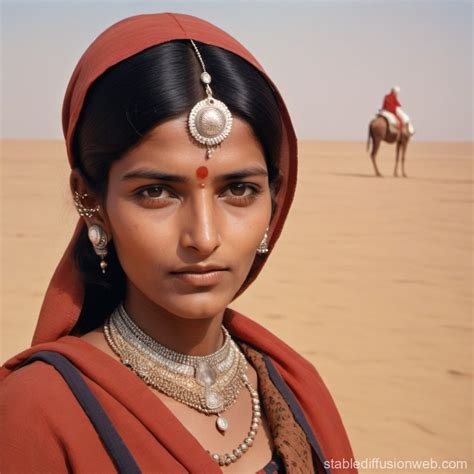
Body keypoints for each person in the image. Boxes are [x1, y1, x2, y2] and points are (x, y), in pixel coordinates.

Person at [0, 13, 357, 473]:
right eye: (156, 192)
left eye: (239, 190)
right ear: (91, 200)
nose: (204, 238)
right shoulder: (38, 412)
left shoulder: (296, 388)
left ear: (276, 196)